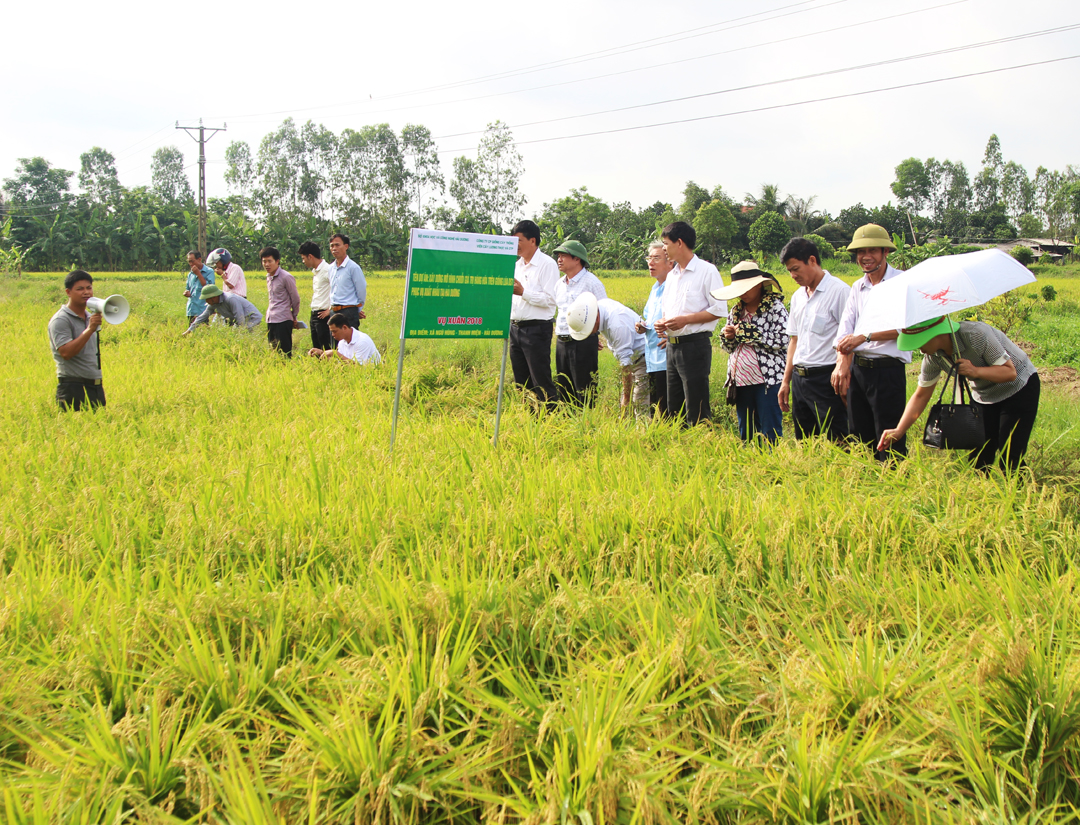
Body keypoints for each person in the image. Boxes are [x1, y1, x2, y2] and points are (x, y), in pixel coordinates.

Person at [879, 316, 1040, 472]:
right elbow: (921, 395)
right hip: (984, 395)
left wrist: (975, 371)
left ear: (936, 334)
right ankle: (982, 490)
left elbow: (1010, 372)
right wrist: (899, 430)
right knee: (979, 457)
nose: (918, 348)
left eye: (919, 341)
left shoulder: (976, 335)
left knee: (1010, 455)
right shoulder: (932, 357)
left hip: (1018, 388)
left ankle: (1020, 488)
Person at [832, 224, 911, 460]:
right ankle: (866, 480)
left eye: (872, 250)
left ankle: (894, 479)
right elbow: (845, 330)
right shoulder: (858, 286)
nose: (865, 257)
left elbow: (908, 327)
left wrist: (866, 336)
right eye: (860, 252)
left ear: (885, 252)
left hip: (887, 371)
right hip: (859, 370)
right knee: (859, 437)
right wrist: (841, 364)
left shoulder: (902, 282)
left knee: (889, 438)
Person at [654, 221, 726, 426]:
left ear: (679, 243)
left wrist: (685, 320)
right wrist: (662, 323)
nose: (664, 249)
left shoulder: (707, 271)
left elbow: (719, 309)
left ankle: (702, 440)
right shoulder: (672, 276)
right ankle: (679, 442)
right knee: (674, 407)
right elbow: (668, 311)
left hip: (694, 346)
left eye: (666, 244)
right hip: (672, 347)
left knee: (696, 405)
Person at [779, 237, 849, 443]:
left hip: (827, 378)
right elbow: (794, 340)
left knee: (838, 438)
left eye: (796, 269)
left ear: (812, 260)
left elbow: (850, 339)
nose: (793, 275)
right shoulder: (798, 297)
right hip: (800, 379)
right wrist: (786, 381)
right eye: (789, 271)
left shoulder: (839, 291)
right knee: (805, 440)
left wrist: (845, 374)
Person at [715, 261, 789, 444]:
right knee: (746, 431)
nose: (744, 293)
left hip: (767, 380)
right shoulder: (736, 311)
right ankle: (750, 460)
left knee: (770, 430)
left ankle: (773, 460)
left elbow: (784, 339)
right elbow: (729, 348)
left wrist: (753, 333)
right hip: (740, 381)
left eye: (747, 288)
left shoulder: (775, 308)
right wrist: (729, 336)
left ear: (759, 285)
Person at [566, 293, 650, 419]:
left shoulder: (617, 324)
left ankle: (645, 430)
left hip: (642, 359)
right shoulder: (600, 308)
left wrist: (626, 399)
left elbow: (625, 363)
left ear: (595, 319)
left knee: (639, 404)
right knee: (626, 407)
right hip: (632, 358)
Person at [509, 220, 558, 411]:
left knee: (540, 378)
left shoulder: (547, 264)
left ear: (532, 240)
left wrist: (524, 292)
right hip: (515, 328)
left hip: (536, 330)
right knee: (521, 380)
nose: (516, 245)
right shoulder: (516, 265)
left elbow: (550, 300)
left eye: (519, 241)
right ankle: (530, 417)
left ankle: (551, 417)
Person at [552, 239, 607, 406]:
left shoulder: (592, 282)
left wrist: (595, 334)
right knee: (564, 388)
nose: (559, 260)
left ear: (577, 259)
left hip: (583, 342)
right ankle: (567, 419)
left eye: (563, 256)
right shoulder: (559, 284)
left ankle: (587, 419)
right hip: (562, 341)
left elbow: (604, 311)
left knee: (584, 389)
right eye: (558, 256)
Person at [48, 270, 106, 410]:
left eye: (89, 288)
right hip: (72, 386)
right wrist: (90, 329)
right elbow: (66, 353)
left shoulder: (89, 317)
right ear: (68, 292)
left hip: (94, 385)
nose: (86, 292)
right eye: (80, 289)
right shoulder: (61, 319)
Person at [635, 241, 672, 417]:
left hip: (668, 359)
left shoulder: (673, 287)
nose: (651, 262)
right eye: (649, 258)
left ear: (670, 262)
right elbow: (649, 319)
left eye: (656, 258)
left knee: (668, 410)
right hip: (652, 359)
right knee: (656, 410)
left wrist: (673, 337)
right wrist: (642, 326)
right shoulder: (655, 289)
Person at [261, 246, 300, 357]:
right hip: (271, 318)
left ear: (277, 261)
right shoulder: (268, 277)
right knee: (273, 351)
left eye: (269, 261)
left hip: (283, 319)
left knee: (285, 352)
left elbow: (295, 298)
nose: (266, 264)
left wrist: (294, 316)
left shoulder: (286, 277)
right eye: (264, 261)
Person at [182, 284, 262, 334]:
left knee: (243, 335)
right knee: (235, 334)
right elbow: (202, 317)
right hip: (241, 320)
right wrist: (189, 330)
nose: (206, 301)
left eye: (207, 299)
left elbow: (239, 317)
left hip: (252, 318)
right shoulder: (213, 304)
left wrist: (240, 331)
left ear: (213, 297)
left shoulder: (230, 299)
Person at [326, 233, 367, 330]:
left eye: (337, 245)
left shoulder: (353, 267)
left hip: (348, 311)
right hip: (333, 311)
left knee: (349, 338)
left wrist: (356, 310)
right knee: (335, 338)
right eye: (332, 246)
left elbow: (361, 291)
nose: (334, 248)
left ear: (346, 246)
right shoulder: (331, 268)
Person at [307, 313, 381, 365]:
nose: (332, 335)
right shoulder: (342, 342)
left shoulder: (362, 341)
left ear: (344, 327)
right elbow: (341, 363)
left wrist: (335, 353)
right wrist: (322, 353)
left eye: (335, 331)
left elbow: (357, 367)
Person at [299, 241, 333, 351]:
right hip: (315, 313)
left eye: (303, 258)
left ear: (310, 256)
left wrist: (330, 310)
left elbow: (338, 290)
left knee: (326, 347)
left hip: (324, 315)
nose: (303, 261)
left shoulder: (327, 270)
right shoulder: (316, 272)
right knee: (316, 347)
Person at [184, 250, 215, 326]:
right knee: (191, 330)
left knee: (203, 329)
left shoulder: (209, 271)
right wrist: (186, 292)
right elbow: (188, 288)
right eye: (189, 262)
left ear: (199, 259)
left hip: (202, 309)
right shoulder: (190, 274)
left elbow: (209, 288)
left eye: (192, 261)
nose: (191, 264)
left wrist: (198, 274)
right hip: (191, 309)